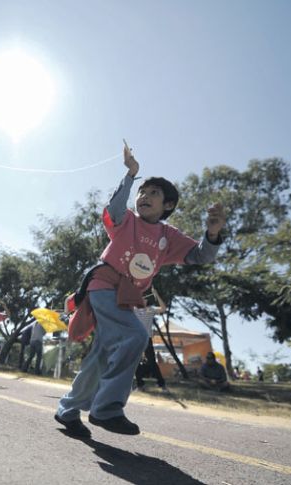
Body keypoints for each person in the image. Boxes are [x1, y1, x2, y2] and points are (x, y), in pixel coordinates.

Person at [55, 141, 225, 438]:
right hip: (103, 285)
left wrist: (212, 234)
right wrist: (131, 174)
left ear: (168, 205)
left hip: (126, 297)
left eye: (154, 193)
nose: (145, 196)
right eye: (142, 192)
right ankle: (106, 409)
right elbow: (114, 208)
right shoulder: (126, 221)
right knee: (134, 335)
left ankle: (67, 410)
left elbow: (201, 256)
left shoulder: (168, 237)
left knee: (102, 354)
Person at [133, 286, 168, 392]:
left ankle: (161, 385)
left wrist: (156, 294)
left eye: (145, 298)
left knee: (152, 362)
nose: (144, 299)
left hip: (147, 339)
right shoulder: (133, 309)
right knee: (136, 362)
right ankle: (140, 385)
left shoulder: (150, 309)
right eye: (141, 297)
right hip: (136, 339)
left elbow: (163, 308)